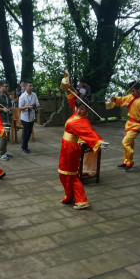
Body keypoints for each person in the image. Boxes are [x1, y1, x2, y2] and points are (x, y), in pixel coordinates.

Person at [59, 81, 104, 210]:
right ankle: (70, 196)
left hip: (72, 149)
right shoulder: (76, 113)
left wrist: (99, 143)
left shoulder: (83, 122)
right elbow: (74, 100)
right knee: (63, 174)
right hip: (65, 148)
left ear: (86, 110)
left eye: (82, 109)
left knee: (71, 175)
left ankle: (81, 200)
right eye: (77, 108)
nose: (79, 110)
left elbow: (91, 133)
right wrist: (68, 86)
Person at [110, 81, 140, 171]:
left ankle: (130, 160)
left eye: (133, 91)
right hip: (129, 123)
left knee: (125, 142)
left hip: (136, 124)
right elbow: (122, 100)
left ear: (138, 89)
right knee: (130, 143)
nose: (132, 93)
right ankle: (127, 161)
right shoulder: (130, 97)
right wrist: (115, 99)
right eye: (131, 91)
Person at [18, 80, 40, 154]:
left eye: (32, 86)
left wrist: (34, 106)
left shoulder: (34, 95)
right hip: (25, 117)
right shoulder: (22, 96)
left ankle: (24, 145)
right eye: (30, 86)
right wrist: (27, 107)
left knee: (29, 132)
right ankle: (24, 147)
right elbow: (20, 108)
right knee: (26, 133)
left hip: (32, 117)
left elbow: (37, 104)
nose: (31, 87)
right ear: (26, 87)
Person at [0, 80, 13, 160]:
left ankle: (5, 152)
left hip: (8, 118)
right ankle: (1, 154)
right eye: (5, 86)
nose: (7, 88)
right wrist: (2, 109)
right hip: (1, 118)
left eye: (8, 86)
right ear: (1, 87)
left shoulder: (7, 95)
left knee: (6, 136)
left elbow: (10, 105)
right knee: (3, 136)